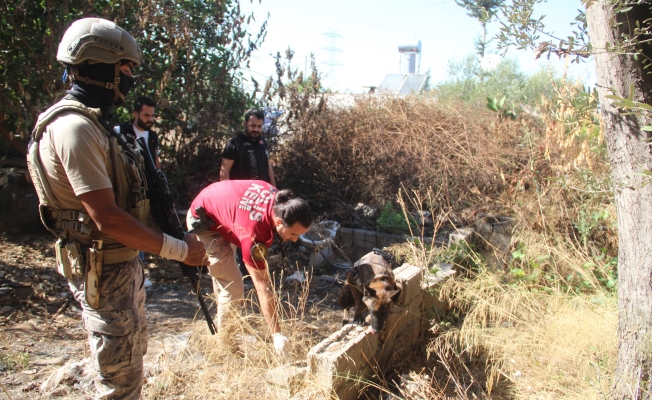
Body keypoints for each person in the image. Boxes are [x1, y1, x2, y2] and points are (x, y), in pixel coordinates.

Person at [27, 18, 207, 399]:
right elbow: (105, 217)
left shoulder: (99, 126)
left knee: (131, 365)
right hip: (103, 270)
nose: (129, 76)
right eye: (124, 67)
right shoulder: (75, 128)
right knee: (119, 385)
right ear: (99, 66)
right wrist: (179, 250)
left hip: (122, 266)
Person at [186, 180, 312, 356]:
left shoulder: (280, 201)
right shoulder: (253, 234)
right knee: (233, 286)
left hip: (221, 209)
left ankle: (222, 329)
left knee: (225, 274)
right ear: (278, 221)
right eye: (293, 234)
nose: (295, 240)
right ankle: (224, 346)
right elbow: (263, 286)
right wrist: (277, 335)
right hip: (204, 220)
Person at [220, 108, 276, 186]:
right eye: (252, 125)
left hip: (262, 193)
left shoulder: (262, 142)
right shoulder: (234, 144)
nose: (256, 129)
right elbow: (224, 171)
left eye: (259, 126)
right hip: (241, 193)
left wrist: (274, 190)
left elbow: (268, 167)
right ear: (245, 124)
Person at [115, 96, 160, 168]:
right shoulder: (120, 131)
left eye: (152, 115)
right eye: (146, 115)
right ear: (136, 114)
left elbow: (156, 162)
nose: (150, 119)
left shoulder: (153, 136)